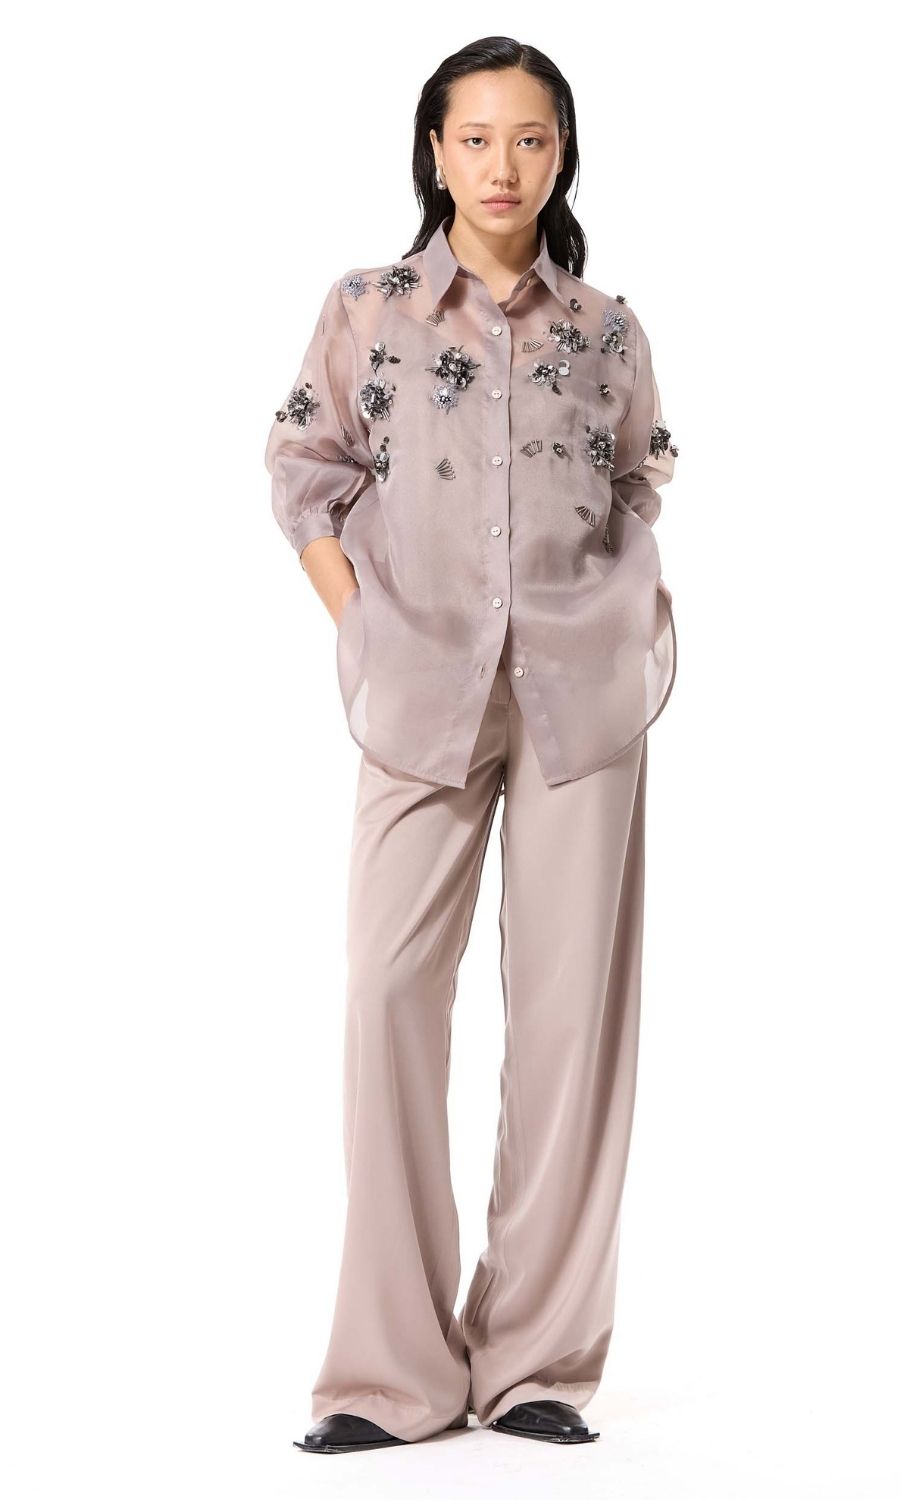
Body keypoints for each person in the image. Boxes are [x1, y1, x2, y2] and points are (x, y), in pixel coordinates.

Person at [264, 35, 679, 1454]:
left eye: (531, 139)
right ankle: (390, 1373)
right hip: (420, 692)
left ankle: (535, 1361)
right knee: (388, 991)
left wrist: (612, 604)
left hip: (582, 697)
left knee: (569, 1024)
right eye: (477, 137)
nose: (504, 165)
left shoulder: (609, 329)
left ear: (562, 157)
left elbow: (641, 472)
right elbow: (303, 472)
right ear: (435, 151)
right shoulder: (368, 310)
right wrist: (363, 625)